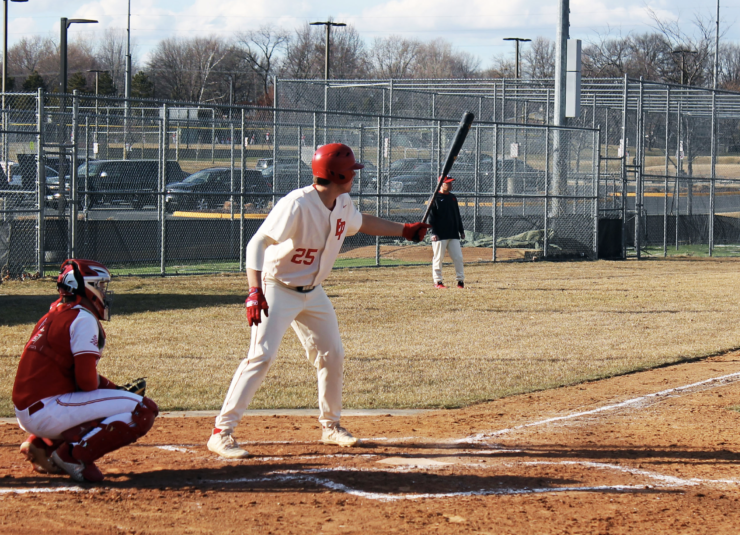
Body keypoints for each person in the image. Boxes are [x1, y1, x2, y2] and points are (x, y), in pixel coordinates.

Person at [207, 143, 430, 459]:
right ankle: (221, 432)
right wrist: (254, 290)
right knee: (261, 356)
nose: (354, 176)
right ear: (336, 173)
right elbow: (258, 242)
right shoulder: (297, 204)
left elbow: (361, 222)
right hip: (277, 287)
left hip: (313, 292)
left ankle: (331, 426)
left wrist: (404, 230)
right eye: (351, 171)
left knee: (332, 354)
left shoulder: (341, 202)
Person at [12, 259, 159, 483]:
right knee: (144, 409)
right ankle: (72, 457)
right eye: (99, 285)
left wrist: (114, 390)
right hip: (48, 407)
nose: (103, 292)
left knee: (108, 402)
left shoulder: (56, 311)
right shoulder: (81, 318)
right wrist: (115, 390)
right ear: (85, 287)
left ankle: (41, 445)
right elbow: (86, 383)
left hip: (33, 407)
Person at [425, 176, 465, 289]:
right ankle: (438, 282)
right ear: (441, 184)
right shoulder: (435, 198)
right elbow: (430, 217)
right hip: (439, 234)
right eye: (448, 183)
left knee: (458, 257)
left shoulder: (452, 197)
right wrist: (433, 232)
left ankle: (460, 281)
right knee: (438, 258)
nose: (451, 185)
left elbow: (457, 215)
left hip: (453, 233)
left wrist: (461, 230)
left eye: (451, 183)